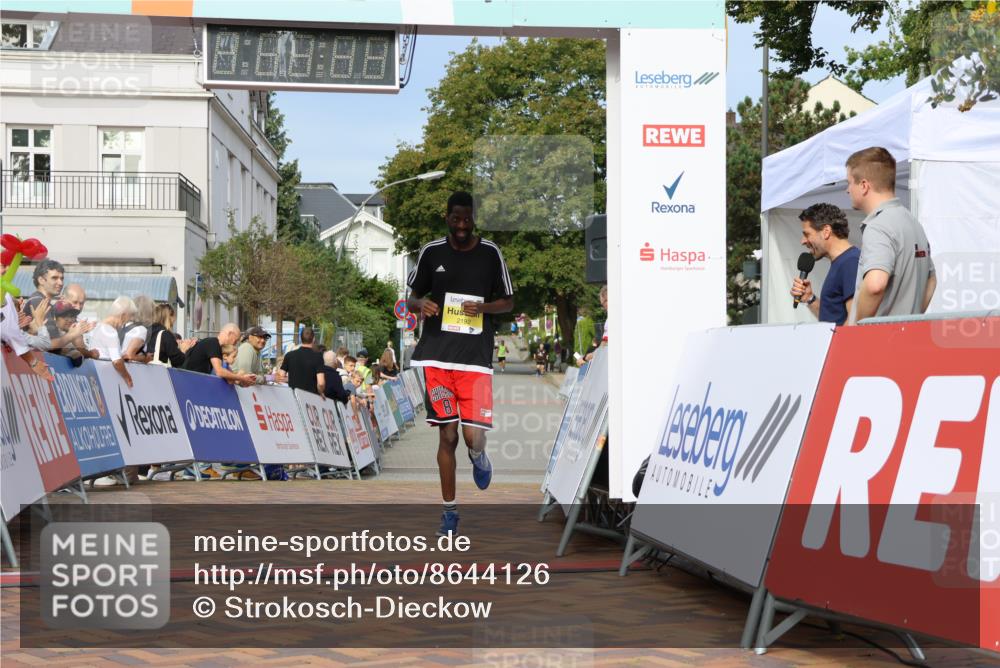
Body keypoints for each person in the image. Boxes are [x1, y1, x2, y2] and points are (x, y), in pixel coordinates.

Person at [406, 190, 514, 536]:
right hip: (437, 356)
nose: (462, 225)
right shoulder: (431, 252)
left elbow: (508, 302)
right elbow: (411, 299)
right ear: (447, 218)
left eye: (467, 219)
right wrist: (421, 305)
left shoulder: (491, 254)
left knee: (472, 439)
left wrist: (482, 308)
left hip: (475, 361)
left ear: (474, 218)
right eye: (456, 219)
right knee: (447, 435)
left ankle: (479, 458)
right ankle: (449, 512)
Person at [845, 147, 935, 323]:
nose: (847, 190)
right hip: (906, 337)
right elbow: (931, 281)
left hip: (879, 342)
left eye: (849, 183)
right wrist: (910, 318)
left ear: (864, 186)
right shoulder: (912, 222)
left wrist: (859, 326)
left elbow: (875, 285)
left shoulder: (878, 226)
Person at [789, 202, 860, 325]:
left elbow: (855, 320)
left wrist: (841, 344)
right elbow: (832, 320)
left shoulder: (850, 262)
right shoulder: (842, 262)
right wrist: (810, 298)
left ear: (826, 231)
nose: (803, 241)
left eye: (807, 234)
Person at [182, 323, 256, 386]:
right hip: (191, 383)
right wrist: (242, 378)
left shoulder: (212, 343)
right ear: (230, 334)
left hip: (192, 382)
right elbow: (220, 371)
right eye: (236, 340)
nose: (235, 344)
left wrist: (240, 378)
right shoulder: (214, 343)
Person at [2, 292, 53, 381]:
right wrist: (39, 322)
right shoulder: (11, 329)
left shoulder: (16, 331)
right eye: (15, 313)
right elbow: (45, 344)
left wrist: (30, 330)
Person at [90, 296, 135, 388]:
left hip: (95, 375)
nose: (126, 322)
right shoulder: (111, 332)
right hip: (106, 379)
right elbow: (117, 362)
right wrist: (127, 376)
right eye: (128, 318)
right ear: (123, 315)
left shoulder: (97, 326)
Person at [278, 326, 326, 396]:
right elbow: (321, 383)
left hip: (293, 396)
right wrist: (321, 392)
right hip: (311, 397)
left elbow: (280, 377)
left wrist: (292, 379)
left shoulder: (289, 355)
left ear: (301, 339)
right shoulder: (318, 357)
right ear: (313, 339)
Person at [120, 294, 154, 363]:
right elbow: (129, 355)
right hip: (131, 369)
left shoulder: (122, 326)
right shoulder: (141, 330)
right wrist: (145, 358)